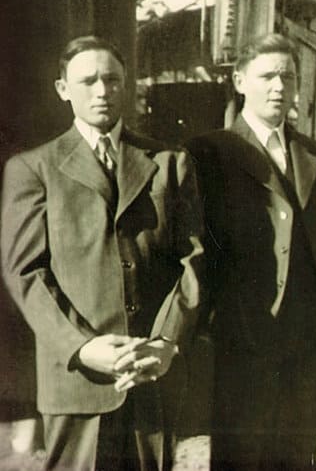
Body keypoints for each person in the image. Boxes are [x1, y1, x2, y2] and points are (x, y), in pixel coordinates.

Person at [0, 35, 205, 470]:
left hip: (151, 374)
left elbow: (193, 261)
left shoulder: (170, 162)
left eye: (111, 79)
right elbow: (26, 274)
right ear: (63, 89)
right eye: (88, 80)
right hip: (77, 379)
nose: (101, 91)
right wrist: (81, 347)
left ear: (125, 84)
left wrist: (166, 341)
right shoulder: (34, 168)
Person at [186, 33, 316, 471]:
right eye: (267, 76)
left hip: (309, 346)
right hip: (242, 342)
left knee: (296, 459)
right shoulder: (209, 152)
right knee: (242, 458)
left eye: (288, 77)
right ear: (240, 81)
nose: (279, 87)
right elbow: (197, 248)